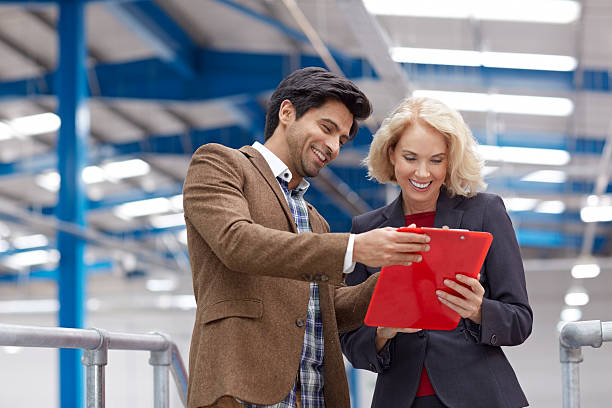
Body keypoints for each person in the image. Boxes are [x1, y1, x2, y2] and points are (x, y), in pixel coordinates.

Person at [182, 67, 431, 408]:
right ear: (287, 112)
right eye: (327, 128)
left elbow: (331, 310)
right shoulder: (221, 164)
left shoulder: (315, 220)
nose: (332, 146)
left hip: (312, 394)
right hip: (241, 390)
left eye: (341, 140)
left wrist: (404, 270)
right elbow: (236, 242)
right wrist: (355, 247)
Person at [340, 96, 533, 408]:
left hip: (480, 395)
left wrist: (477, 309)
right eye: (411, 157)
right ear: (391, 154)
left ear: (450, 160)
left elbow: (520, 320)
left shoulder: (485, 212)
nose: (422, 173)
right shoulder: (367, 231)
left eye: (436, 160)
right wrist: (382, 331)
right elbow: (351, 341)